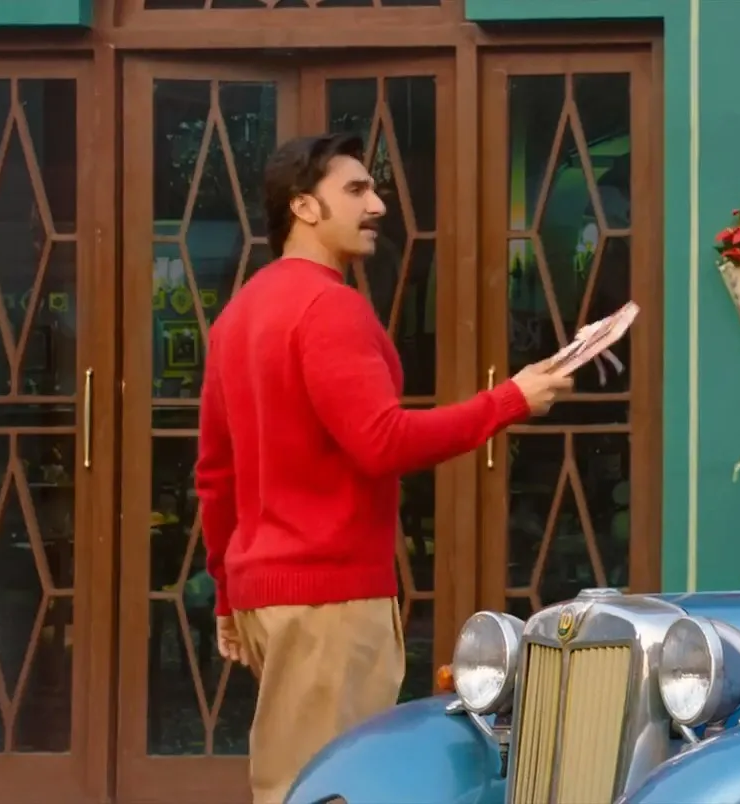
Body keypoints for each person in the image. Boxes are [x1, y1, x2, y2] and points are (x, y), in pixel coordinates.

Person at [193, 133, 576, 804]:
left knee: (301, 779)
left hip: (271, 597)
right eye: (356, 190)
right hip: (327, 598)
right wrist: (510, 400)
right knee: (332, 790)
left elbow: (214, 474)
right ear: (303, 207)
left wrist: (228, 593)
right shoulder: (329, 306)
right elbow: (383, 442)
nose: (378, 205)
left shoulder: (238, 314)